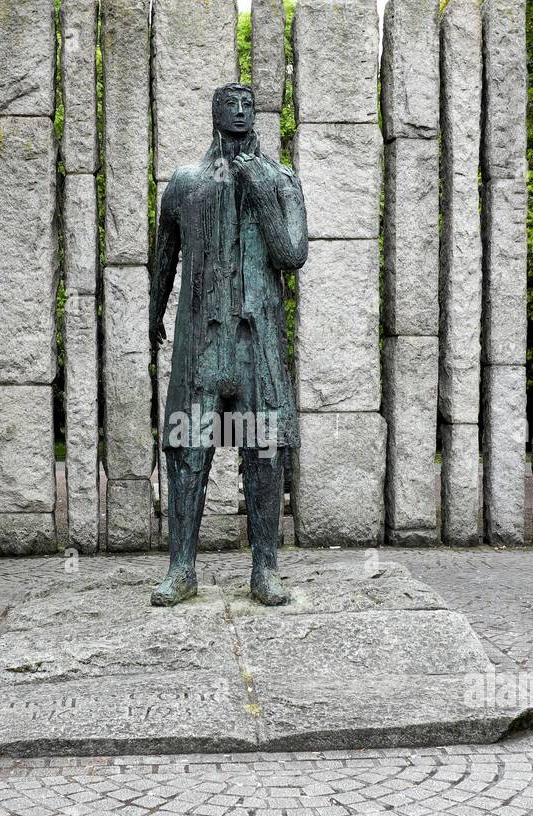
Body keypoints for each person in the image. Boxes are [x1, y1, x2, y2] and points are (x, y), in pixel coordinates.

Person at [149, 83, 309, 607]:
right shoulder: (186, 182)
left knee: (264, 451)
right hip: (201, 343)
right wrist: (152, 317)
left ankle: (264, 569)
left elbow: (292, 254)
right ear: (214, 112)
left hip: (256, 342)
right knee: (188, 449)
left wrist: (260, 191)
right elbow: (163, 261)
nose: (239, 110)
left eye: (247, 102)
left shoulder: (282, 179)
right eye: (229, 103)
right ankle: (182, 568)